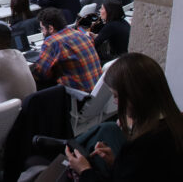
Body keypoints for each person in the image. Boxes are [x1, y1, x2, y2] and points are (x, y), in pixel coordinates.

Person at [65, 53, 183, 182]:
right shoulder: (175, 124)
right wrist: (117, 165)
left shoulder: (140, 149)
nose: (115, 101)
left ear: (134, 96)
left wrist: (84, 170)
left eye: (116, 96)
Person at [33, 8, 102, 92]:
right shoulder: (81, 34)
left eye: (42, 29)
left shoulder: (52, 42)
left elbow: (40, 73)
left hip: (79, 95)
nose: (42, 32)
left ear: (50, 28)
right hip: (97, 91)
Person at [90, 0, 130, 64]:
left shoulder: (111, 26)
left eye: (102, 9)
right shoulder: (123, 22)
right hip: (125, 57)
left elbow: (94, 44)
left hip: (118, 61)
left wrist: (86, 37)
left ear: (109, 11)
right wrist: (97, 36)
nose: (100, 11)